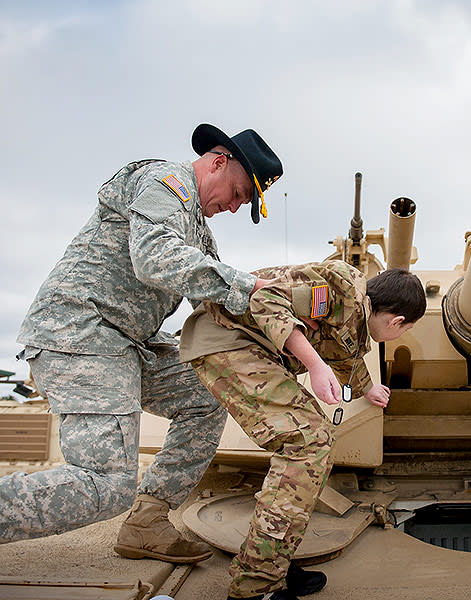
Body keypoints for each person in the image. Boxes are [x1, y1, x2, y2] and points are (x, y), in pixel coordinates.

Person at [0, 123, 283, 565]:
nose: (233, 206)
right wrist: (249, 288)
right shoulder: (164, 182)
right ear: (219, 161)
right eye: (238, 193)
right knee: (107, 483)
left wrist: (286, 327)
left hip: (131, 343)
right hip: (82, 331)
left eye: (243, 202)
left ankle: (148, 521)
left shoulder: (198, 230)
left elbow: (213, 301)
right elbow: (155, 258)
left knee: (209, 391)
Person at [179, 260, 426, 600]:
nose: (401, 335)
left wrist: (366, 388)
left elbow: (343, 355)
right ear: (397, 321)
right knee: (309, 441)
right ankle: (256, 585)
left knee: (317, 441)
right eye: (404, 330)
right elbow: (264, 300)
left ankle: (271, 560)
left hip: (248, 350)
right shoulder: (341, 290)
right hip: (227, 341)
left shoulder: (354, 320)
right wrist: (313, 364)